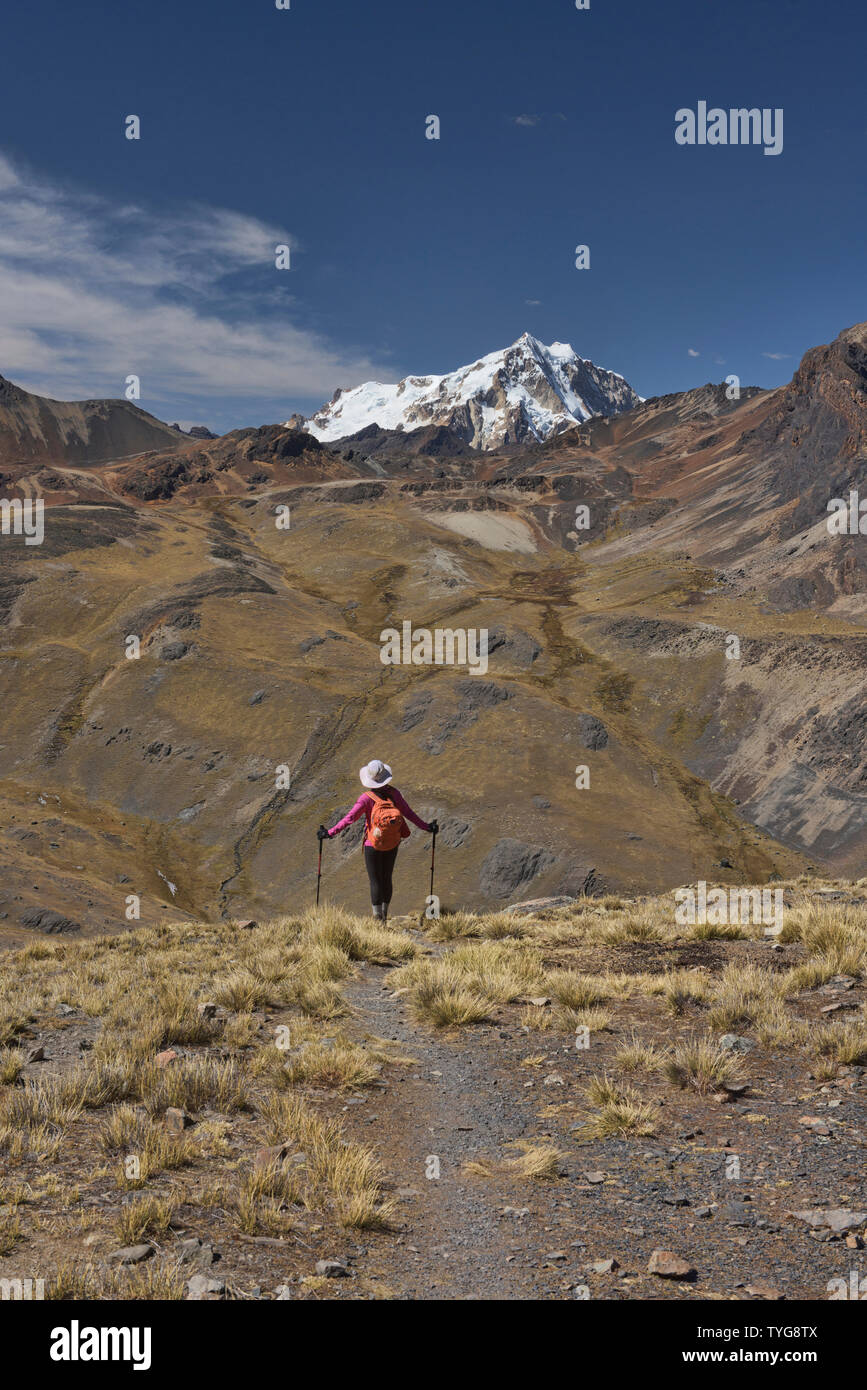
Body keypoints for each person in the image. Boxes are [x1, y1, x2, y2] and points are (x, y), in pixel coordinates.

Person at [319, 760, 437, 921]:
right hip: (392, 842)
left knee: (375, 881)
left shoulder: (366, 799)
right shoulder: (394, 794)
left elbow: (350, 818)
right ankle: (386, 915)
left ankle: (377, 919)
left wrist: (329, 833)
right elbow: (409, 813)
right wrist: (427, 827)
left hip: (372, 844)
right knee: (387, 878)